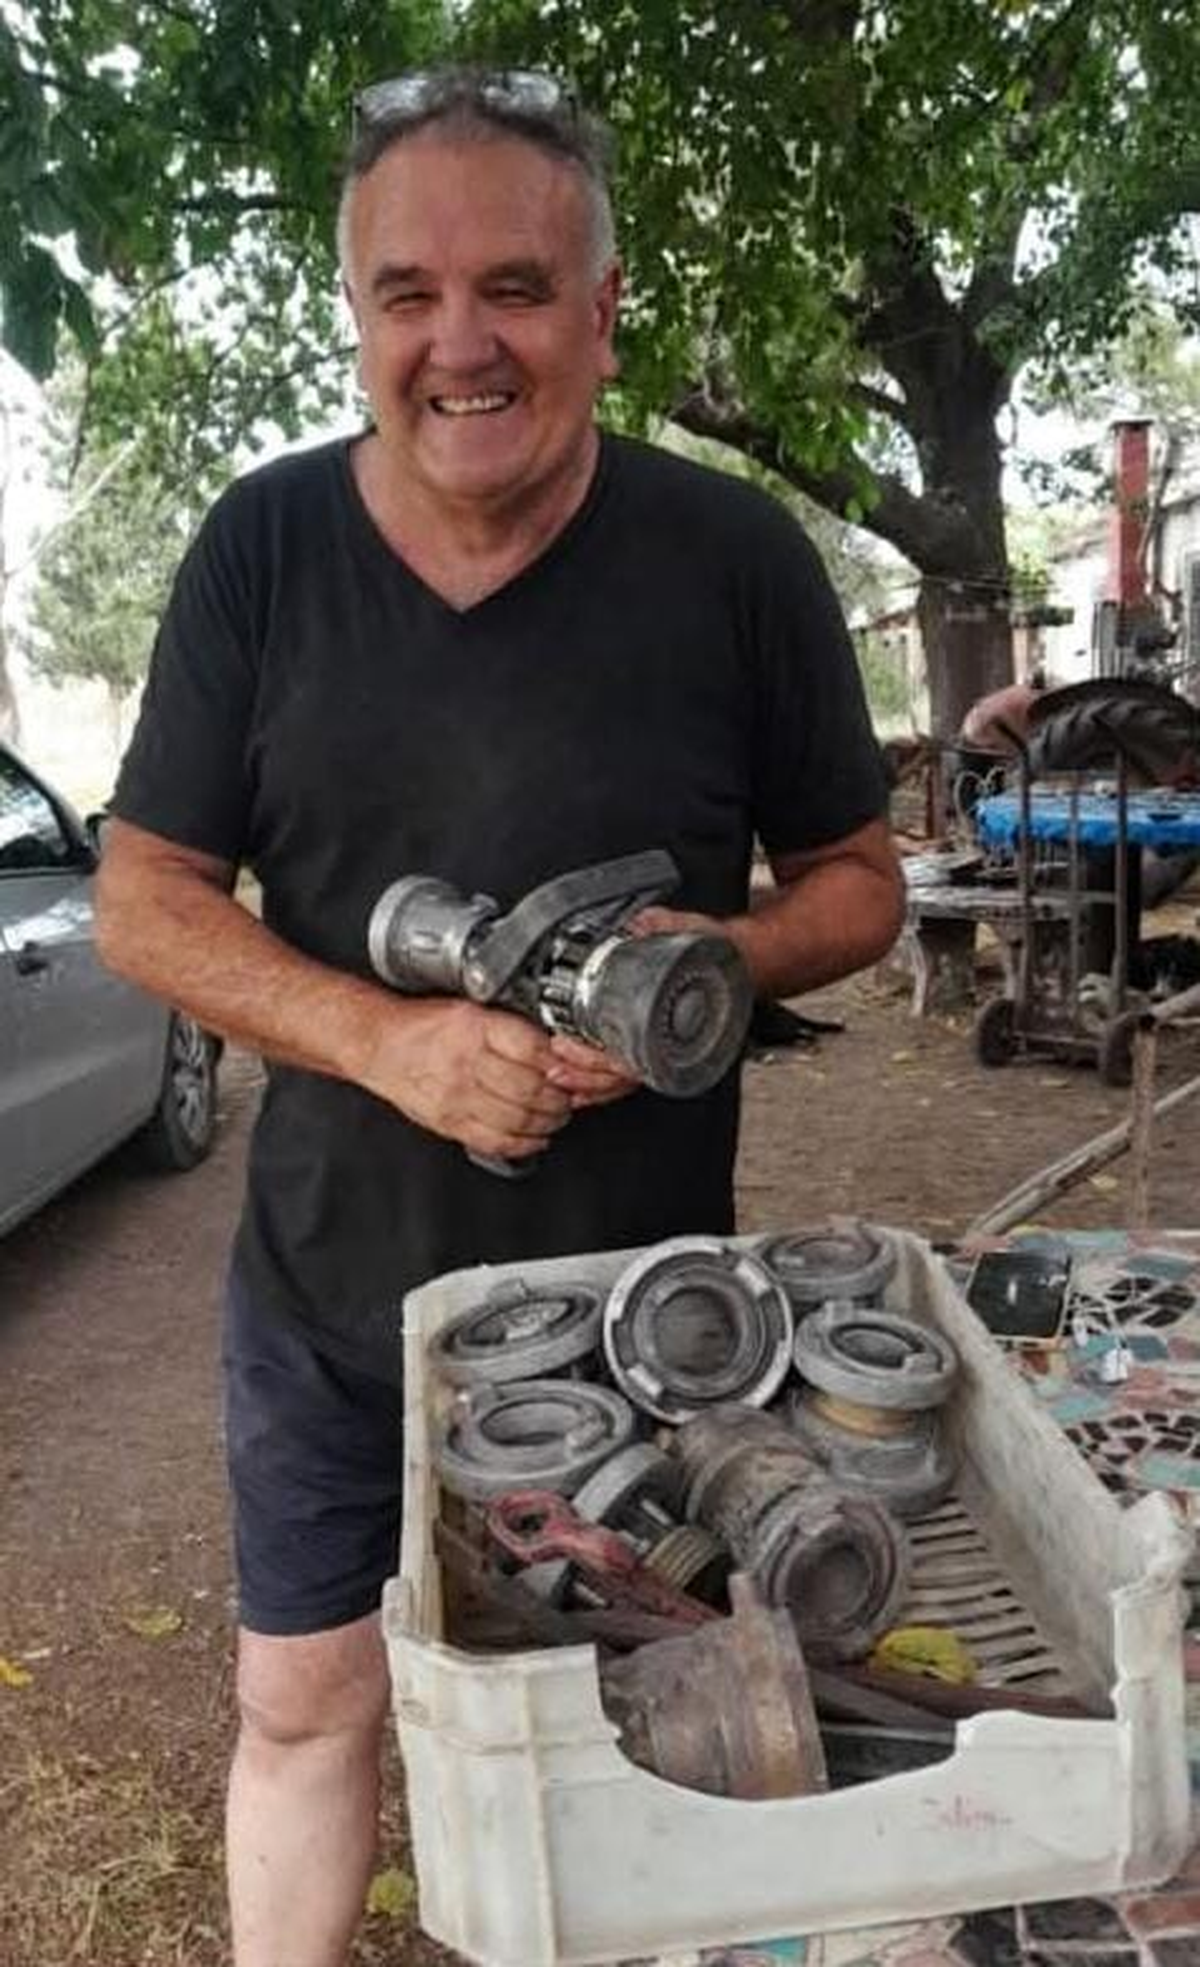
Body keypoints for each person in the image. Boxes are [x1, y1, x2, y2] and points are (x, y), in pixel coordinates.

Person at [96, 66, 904, 1967]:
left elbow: (859, 884)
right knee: (304, 1708)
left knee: (629, 1728)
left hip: (649, 1325)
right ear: (359, 311)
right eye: (406, 292)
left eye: (517, 288)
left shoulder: (735, 564)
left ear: (604, 311)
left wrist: (709, 968)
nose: (460, 341)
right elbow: (144, 898)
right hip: (325, 1304)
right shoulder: (263, 552)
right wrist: (386, 1040)